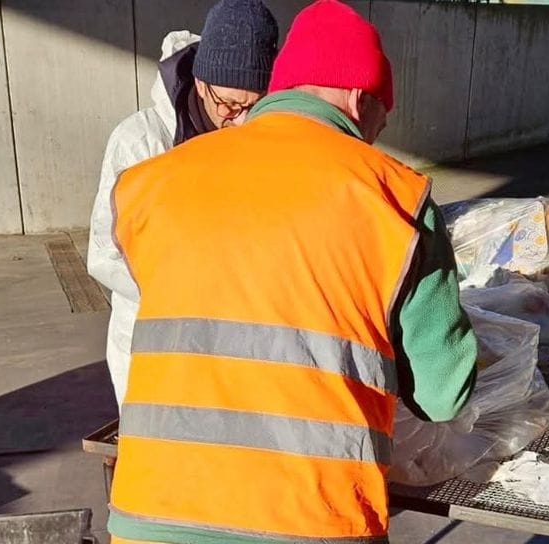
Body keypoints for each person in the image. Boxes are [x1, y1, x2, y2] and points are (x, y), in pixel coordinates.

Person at [106, 1, 479, 542]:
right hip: (312, 522)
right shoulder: (394, 197)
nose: (376, 133)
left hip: (152, 517)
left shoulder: (149, 184)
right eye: (382, 116)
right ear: (358, 98)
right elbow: (443, 393)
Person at [87, 0, 278, 409]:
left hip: (238, 347)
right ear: (201, 81)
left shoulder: (265, 136)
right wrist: (196, 291)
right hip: (154, 346)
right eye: (229, 104)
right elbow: (105, 255)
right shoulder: (141, 144)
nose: (241, 120)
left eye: (254, 105)